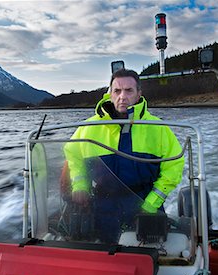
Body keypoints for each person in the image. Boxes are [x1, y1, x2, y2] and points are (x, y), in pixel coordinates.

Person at [63, 69, 184, 243]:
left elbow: (174, 164)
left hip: (145, 205)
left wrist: (152, 203)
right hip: (102, 204)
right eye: (117, 91)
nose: (122, 96)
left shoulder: (158, 128)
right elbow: (73, 154)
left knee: (147, 257)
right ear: (110, 94)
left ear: (139, 94)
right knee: (103, 258)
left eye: (129, 91)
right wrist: (80, 184)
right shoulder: (88, 128)